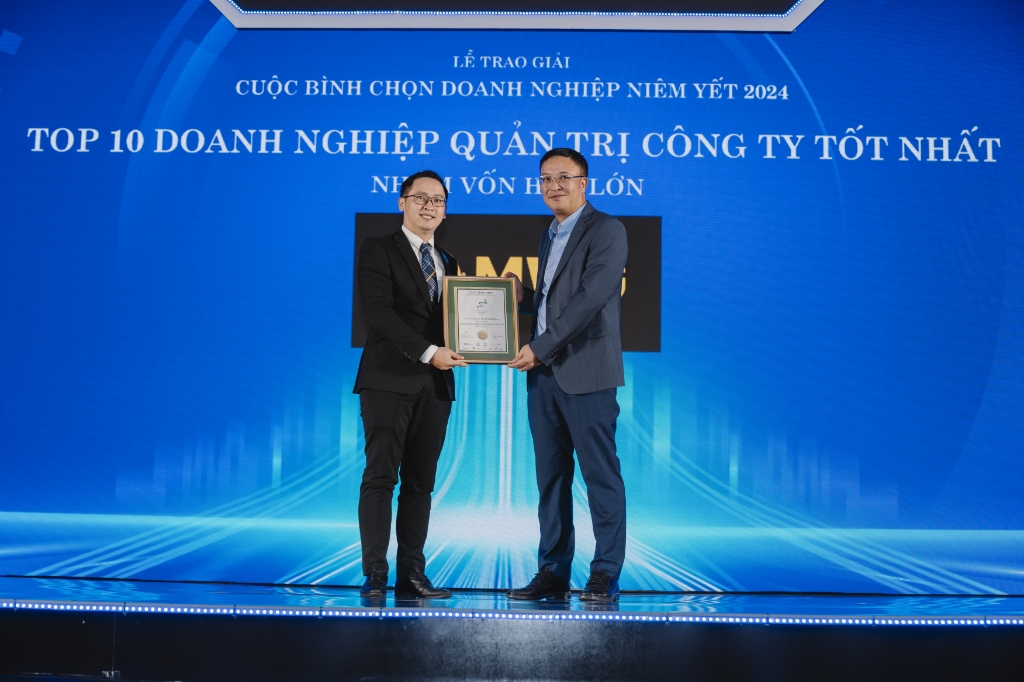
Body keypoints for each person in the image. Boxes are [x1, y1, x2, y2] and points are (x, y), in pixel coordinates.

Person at [505, 148, 629, 602]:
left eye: (563, 177)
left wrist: (539, 347)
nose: (553, 186)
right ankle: (553, 571)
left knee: (600, 476)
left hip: (588, 371)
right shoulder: (549, 234)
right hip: (544, 379)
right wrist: (522, 296)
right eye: (545, 178)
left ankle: (605, 572)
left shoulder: (607, 229)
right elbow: (556, 301)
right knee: (551, 479)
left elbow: (590, 298)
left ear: (584, 183)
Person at [353, 170, 467, 600]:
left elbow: (458, 323)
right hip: (387, 379)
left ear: (445, 210)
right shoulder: (378, 249)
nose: (429, 206)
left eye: (438, 200)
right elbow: (379, 312)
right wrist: (428, 351)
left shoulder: (449, 261)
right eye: (420, 198)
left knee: (421, 484)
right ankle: (375, 574)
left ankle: (412, 575)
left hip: (435, 387)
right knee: (381, 477)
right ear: (402, 202)